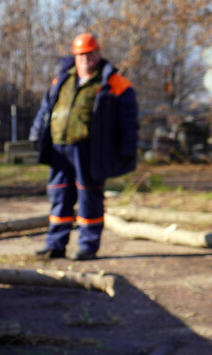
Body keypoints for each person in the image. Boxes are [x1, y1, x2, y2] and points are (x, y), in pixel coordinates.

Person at [29, 33, 139, 260]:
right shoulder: (61, 80)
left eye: (90, 54)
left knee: (89, 197)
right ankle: (55, 244)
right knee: (59, 196)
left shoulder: (115, 83)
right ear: (75, 57)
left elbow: (129, 122)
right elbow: (45, 110)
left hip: (91, 150)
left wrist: (128, 148)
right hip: (60, 149)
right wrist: (35, 133)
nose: (86, 60)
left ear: (98, 54)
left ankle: (88, 246)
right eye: (81, 55)